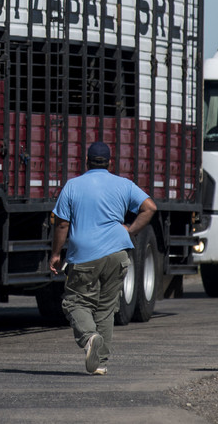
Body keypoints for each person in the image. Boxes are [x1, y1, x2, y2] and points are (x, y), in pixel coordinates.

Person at [48, 141, 157, 375]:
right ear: (110, 162)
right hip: (118, 252)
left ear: (86, 161)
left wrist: (56, 253)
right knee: (106, 308)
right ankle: (99, 362)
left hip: (86, 255)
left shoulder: (73, 186)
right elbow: (150, 207)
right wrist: (130, 230)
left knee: (75, 302)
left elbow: (62, 224)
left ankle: (89, 338)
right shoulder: (123, 184)